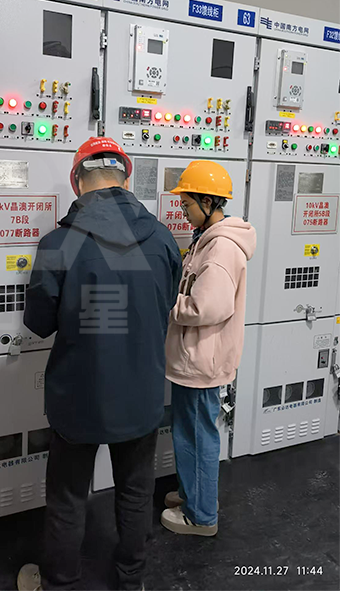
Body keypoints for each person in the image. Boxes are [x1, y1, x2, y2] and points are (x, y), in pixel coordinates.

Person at [17, 137, 182, 591]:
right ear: (126, 180)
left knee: (68, 497)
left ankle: (60, 583)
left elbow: (38, 323)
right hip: (142, 395)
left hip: (79, 396)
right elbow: (165, 305)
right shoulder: (163, 239)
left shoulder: (58, 244)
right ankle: (131, 580)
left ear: (77, 182)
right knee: (135, 492)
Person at [161, 161, 256, 537]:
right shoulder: (208, 238)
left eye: (186, 204)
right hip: (195, 357)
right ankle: (193, 494)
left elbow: (207, 308)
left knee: (197, 437)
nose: (183, 211)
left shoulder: (220, 248)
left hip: (201, 359)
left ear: (207, 201)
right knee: (189, 432)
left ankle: (201, 516)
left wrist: (168, 305)